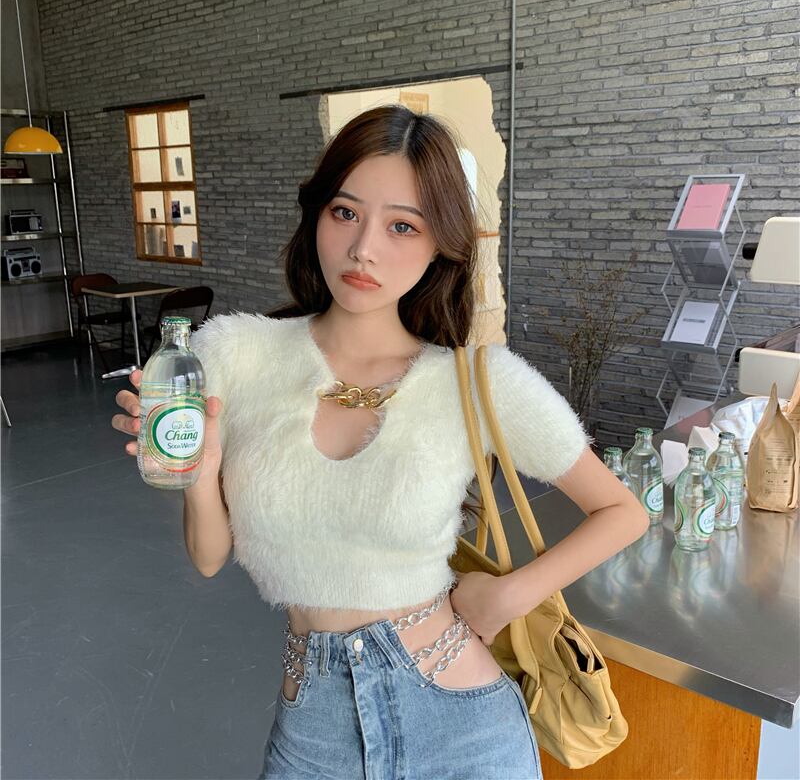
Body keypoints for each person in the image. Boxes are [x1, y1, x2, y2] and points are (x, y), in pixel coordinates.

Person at [112, 104, 650, 780]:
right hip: (313, 732)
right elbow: (210, 556)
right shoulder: (236, 354)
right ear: (317, 214)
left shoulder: (475, 380)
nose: (364, 248)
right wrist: (200, 470)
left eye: (402, 225)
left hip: (463, 726)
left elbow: (623, 511)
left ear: (440, 244)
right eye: (345, 213)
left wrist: (509, 595)